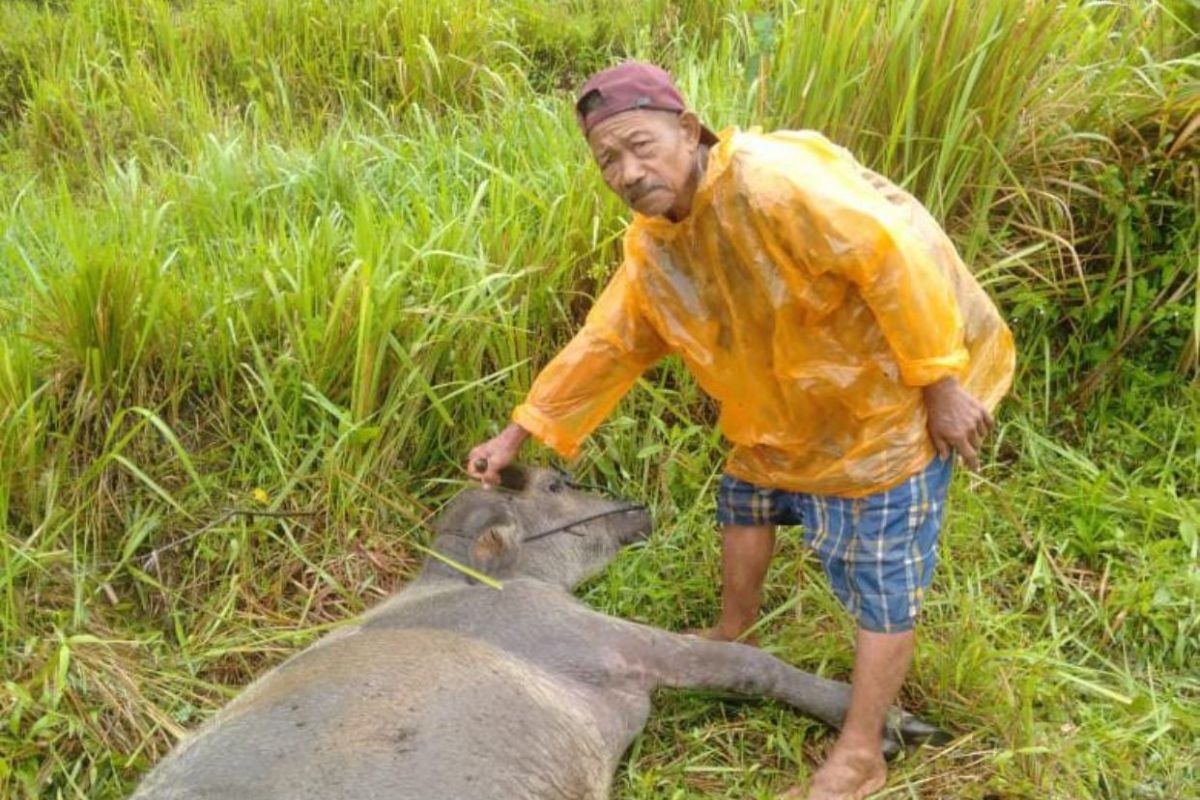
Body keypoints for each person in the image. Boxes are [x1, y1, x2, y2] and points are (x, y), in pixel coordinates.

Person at [466, 62, 1014, 800]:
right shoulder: (656, 242)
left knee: (882, 578)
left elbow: (896, 262)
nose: (628, 172)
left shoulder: (776, 184)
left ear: (688, 129)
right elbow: (609, 342)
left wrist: (941, 384)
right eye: (609, 161)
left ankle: (860, 752)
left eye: (641, 146)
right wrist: (519, 433)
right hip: (783, 421)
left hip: (882, 413)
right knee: (745, 499)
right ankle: (734, 629)